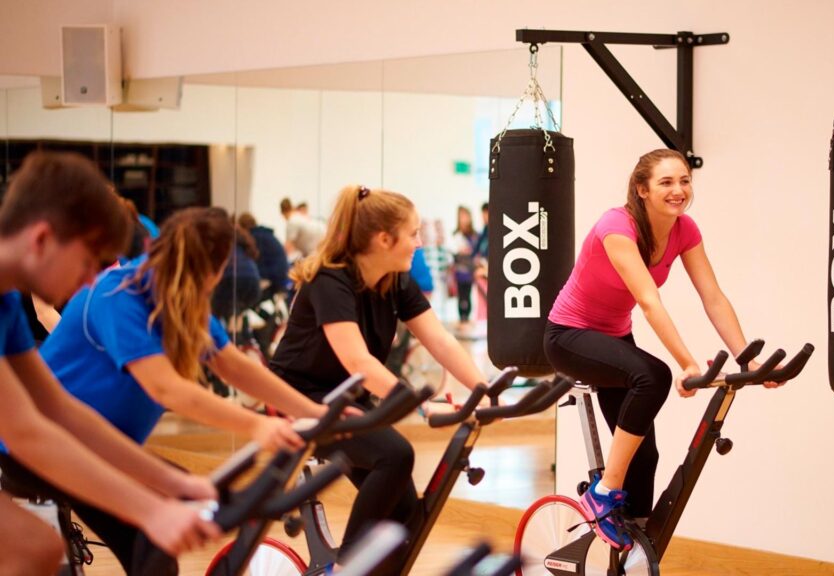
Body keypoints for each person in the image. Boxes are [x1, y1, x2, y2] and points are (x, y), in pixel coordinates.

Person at [26, 206, 330, 574]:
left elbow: (233, 365)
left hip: (100, 447)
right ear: (216, 272)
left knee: (158, 541)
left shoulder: (182, 303)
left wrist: (317, 412)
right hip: (41, 445)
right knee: (156, 532)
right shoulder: (117, 293)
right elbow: (166, 389)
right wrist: (257, 426)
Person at [544, 148, 783, 550]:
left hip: (614, 338)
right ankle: (603, 492)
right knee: (653, 376)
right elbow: (649, 301)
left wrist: (747, 358)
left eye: (684, 181)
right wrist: (687, 363)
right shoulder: (616, 227)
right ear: (642, 189)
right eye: (666, 182)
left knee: (645, 458)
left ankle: (630, 547)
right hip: (569, 336)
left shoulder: (684, 229)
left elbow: (713, 297)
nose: (678, 190)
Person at [0, 151, 220, 575]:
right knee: (33, 547)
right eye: (87, 263)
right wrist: (151, 508)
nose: (89, 281)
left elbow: (61, 409)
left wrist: (174, 483)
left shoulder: (7, 300)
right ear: (43, 239)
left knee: (37, 549)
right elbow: (26, 431)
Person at [270, 184, 490, 562]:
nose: (420, 243)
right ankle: (348, 566)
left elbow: (441, 341)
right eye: (413, 234)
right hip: (298, 400)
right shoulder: (330, 280)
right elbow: (359, 362)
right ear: (384, 239)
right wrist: (420, 408)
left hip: (346, 400)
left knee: (402, 517)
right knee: (395, 455)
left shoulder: (394, 280)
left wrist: (485, 391)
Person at [448, 205, 478, 331]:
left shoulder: (474, 235)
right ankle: (463, 318)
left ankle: (467, 318)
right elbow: (453, 252)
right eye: (461, 216)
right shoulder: (456, 234)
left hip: (470, 271)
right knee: (462, 295)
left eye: (465, 216)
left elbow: (475, 251)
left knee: (468, 294)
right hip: (460, 271)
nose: (464, 219)